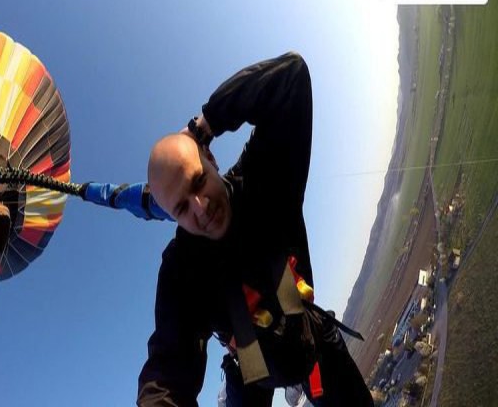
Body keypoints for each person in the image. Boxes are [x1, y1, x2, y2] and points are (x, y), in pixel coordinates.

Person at [137, 52, 373, 406]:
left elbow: (290, 77)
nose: (200, 208)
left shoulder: (261, 179)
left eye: (199, 181)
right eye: (182, 208)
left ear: (211, 159)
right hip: (251, 369)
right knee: (255, 367)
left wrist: (205, 124)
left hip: (307, 340)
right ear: (172, 217)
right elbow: (168, 371)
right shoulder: (182, 269)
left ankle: (297, 377)